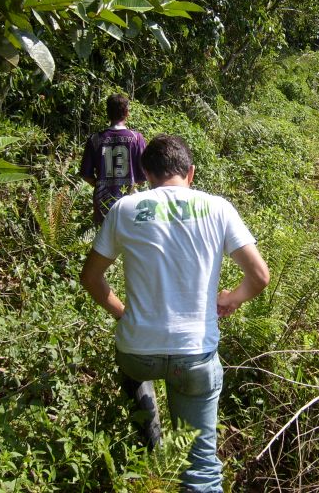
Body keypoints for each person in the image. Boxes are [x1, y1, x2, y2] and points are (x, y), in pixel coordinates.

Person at [80, 134, 270, 493]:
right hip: (194, 356)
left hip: (138, 354)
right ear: (191, 172)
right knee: (201, 471)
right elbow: (259, 276)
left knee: (135, 361)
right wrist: (232, 298)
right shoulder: (218, 208)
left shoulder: (124, 208)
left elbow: (90, 278)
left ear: (145, 174)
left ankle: (149, 439)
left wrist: (123, 314)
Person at [80, 94, 147, 225]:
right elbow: (144, 175)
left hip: (102, 202)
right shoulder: (137, 138)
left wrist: (101, 184)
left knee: (105, 235)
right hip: (130, 201)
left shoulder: (95, 139)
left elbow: (86, 175)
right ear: (127, 112)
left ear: (107, 113)